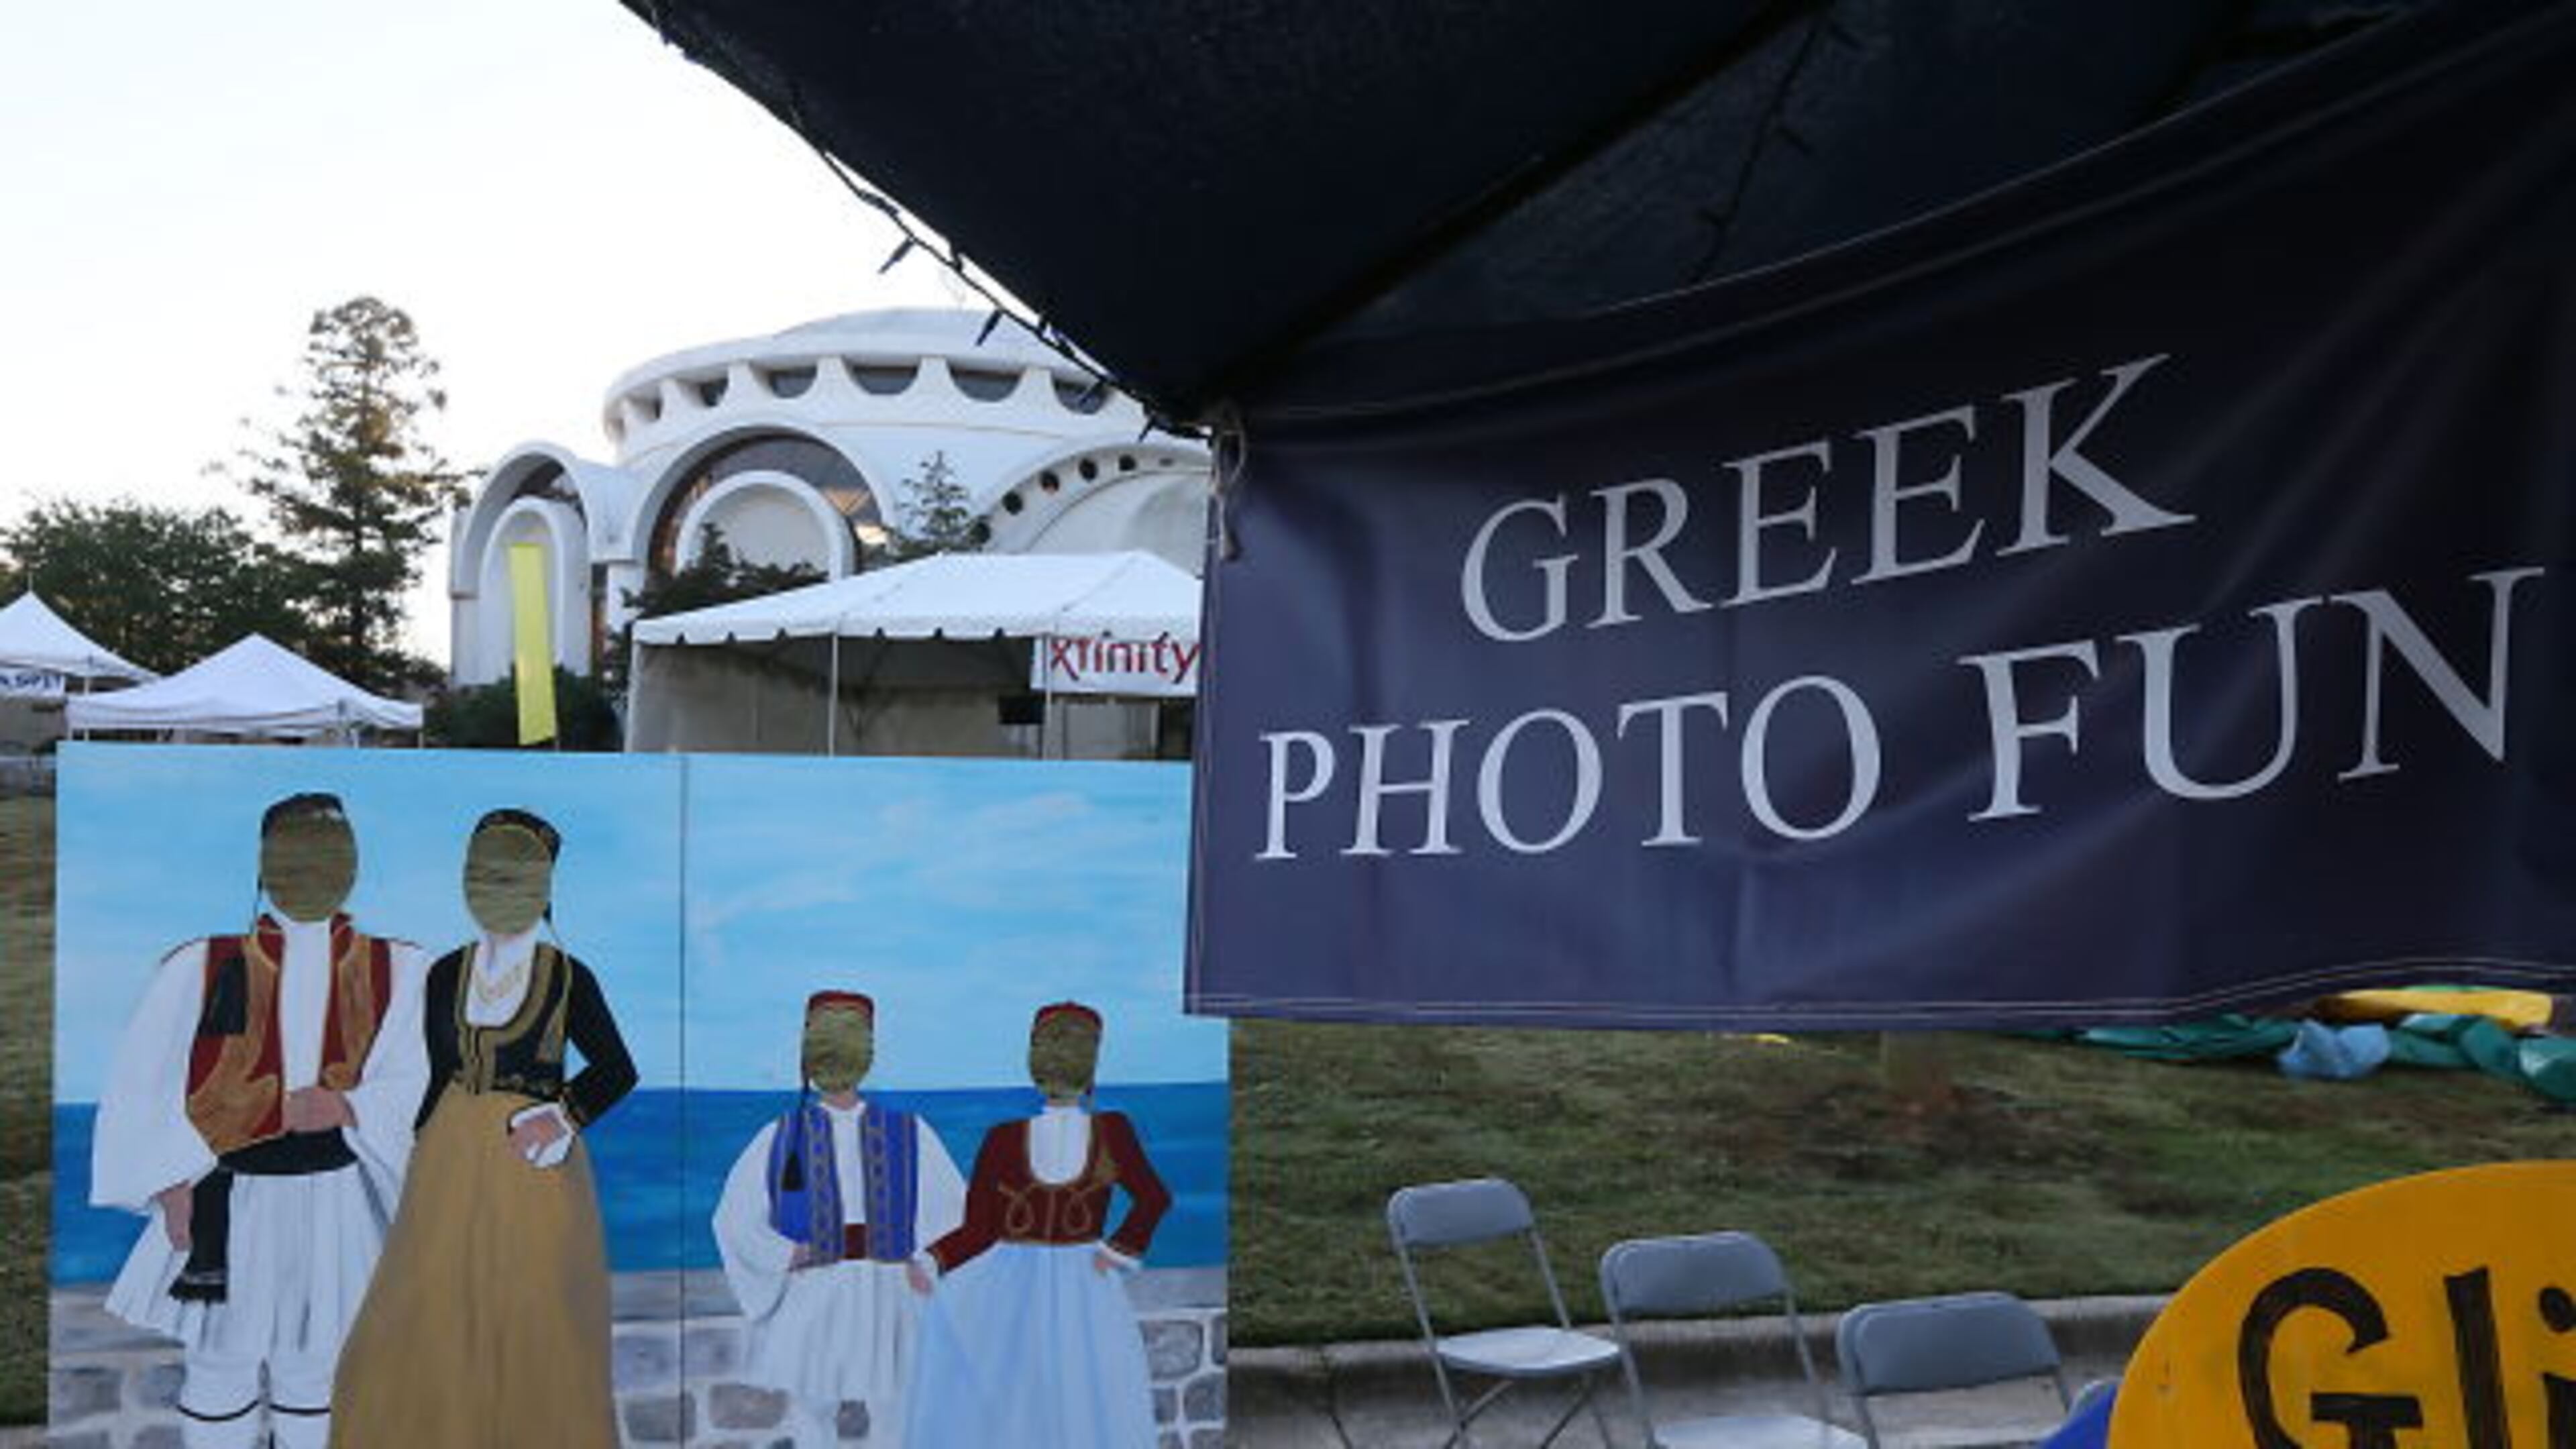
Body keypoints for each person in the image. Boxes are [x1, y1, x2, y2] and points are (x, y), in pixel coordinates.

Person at [90, 792, 428, 1449]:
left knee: (318, 1364)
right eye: (294, 854)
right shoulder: (200, 965)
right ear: (264, 865)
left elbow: (423, 1076)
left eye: (330, 854)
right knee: (219, 1364)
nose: (313, 869)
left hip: (334, 1197)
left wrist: (349, 1105)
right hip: (225, 1194)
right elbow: (142, 1082)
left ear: (353, 866)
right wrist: (167, 1182)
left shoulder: (402, 969)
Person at [329, 808, 637, 1448]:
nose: (493, 887)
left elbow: (616, 1069)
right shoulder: (445, 974)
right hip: (447, 1168)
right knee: (427, 1318)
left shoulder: (568, 979)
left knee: (532, 1319)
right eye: (482, 870)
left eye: (513, 872)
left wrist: (560, 1117)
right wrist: (403, 1157)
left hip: (534, 1175)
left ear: (544, 884)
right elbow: (436, 1073)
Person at [905, 1001, 1171, 1448]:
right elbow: (982, 1228)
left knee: (1043, 1396)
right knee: (1051, 1398)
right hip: (1053, 1288)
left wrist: (1119, 1248)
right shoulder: (1021, 1137)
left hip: (1056, 1289)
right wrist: (934, 1258)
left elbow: (1153, 1199)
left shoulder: (1095, 1133)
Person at [712, 992, 967, 1448]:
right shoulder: (902, 1131)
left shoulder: (785, 1134)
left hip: (866, 1292)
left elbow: (956, 1211)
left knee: (866, 1413)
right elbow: (734, 1217)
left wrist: (929, 1262)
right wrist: (789, 1253)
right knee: (855, 1413)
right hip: (833, 1291)